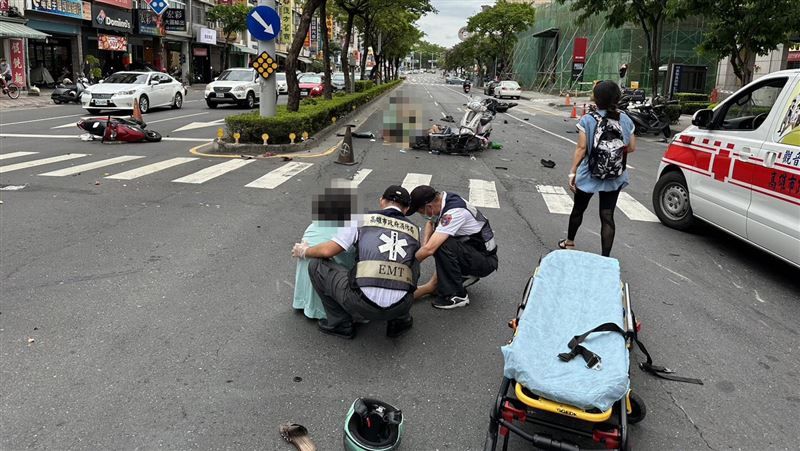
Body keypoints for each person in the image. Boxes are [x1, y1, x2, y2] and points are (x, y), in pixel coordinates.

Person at [291, 186, 420, 339]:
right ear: (406, 209)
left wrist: (304, 251)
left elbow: (328, 251)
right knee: (413, 261)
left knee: (316, 266)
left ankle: (340, 324)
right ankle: (400, 321)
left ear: (382, 201)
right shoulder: (415, 230)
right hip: (401, 305)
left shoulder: (361, 220)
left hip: (362, 304)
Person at [558, 80, 637, 257]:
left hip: (589, 174)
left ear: (596, 99)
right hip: (614, 176)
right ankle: (605, 257)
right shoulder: (625, 119)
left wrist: (573, 171)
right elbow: (631, 147)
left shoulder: (588, 119)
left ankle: (569, 242)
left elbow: (581, 148)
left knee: (578, 209)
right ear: (617, 98)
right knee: (607, 215)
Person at [406, 185, 498, 309]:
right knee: (436, 245)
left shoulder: (453, 213)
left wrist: (407, 265)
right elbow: (431, 222)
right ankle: (460, 275)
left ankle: (457, 295)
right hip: (474, 250)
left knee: (441, 244)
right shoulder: (444, 200)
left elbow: (430, 249)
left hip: (485, 260)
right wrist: (426, 245)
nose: (421, 215)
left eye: (420, 211)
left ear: (428, 206)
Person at [292, 187, 357, 320]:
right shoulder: (347, 230)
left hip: (304, 297)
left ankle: (304, 301)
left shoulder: (312, 227)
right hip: (329, 293)